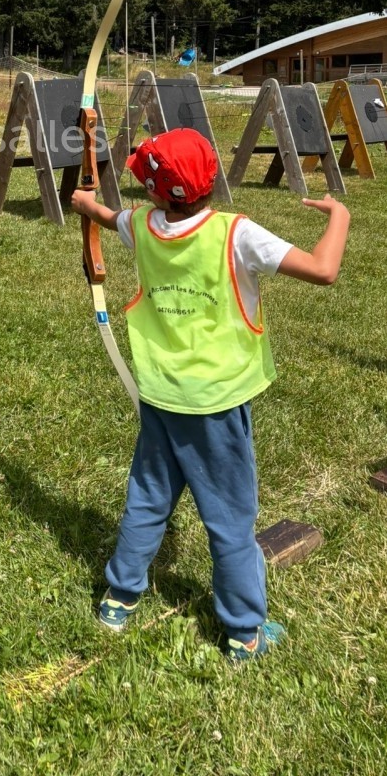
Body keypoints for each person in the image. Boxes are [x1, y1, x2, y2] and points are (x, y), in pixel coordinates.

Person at [71, 127, 350, 662]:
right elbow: (324, 269)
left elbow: (111, 217)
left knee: (148, 500)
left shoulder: (146, 227)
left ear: (156, 193)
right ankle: (244, 632)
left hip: (161, 397)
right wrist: (340, 217)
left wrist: (87, 202)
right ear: (208, 181)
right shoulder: (236, 233)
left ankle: (119, 600)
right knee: (229, 519)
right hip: (216, 407)